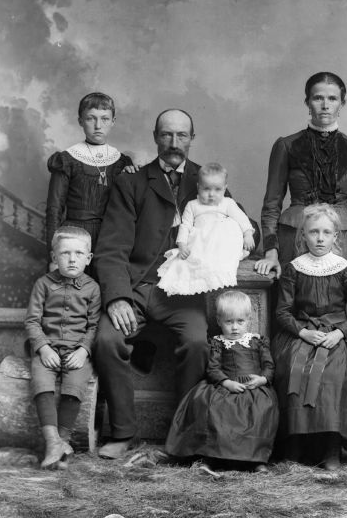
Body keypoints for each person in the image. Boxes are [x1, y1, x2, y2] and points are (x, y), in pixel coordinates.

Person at [93, 109, 258, 460]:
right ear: (155, 136)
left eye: (182, 136)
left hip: (180, 292)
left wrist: (262, 244)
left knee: (198, 342)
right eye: (167, 135)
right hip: (137, 285)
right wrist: (117, 298)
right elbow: (111, 246)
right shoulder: (132, 182)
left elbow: (243, 219)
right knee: (107, 339)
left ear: (192, 138)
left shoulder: (206, 179)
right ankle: (123, 433)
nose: (174, 143)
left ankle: (183, 435)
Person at [255, 71, 347, 446]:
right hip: (296, 237)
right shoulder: (286, 145)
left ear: (342, 102)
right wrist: (272, 249)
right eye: (317, 98)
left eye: (331, 98)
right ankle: (293, 431)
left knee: (344, 326)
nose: (324, 105)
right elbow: (270, 204)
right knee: (294, 326)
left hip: (342, 239)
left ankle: (340, 430)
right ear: (306, 102)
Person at [273, 204, 347, 470]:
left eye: (326, 232)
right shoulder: (294, 268)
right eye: (313, 232)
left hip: (336, 336)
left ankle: (330, 449)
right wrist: (302, 332)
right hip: (301, 332)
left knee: (332, 373)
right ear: (303, 235)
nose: (319, 238)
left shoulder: (345, 269)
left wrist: (338, 334)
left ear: (336, 236)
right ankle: (295, 445)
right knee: (294, 367)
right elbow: (282, 312)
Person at [165, 290, 278, 472]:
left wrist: (262, 379)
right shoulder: (217, 342)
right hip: (226, 384)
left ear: (248, 319)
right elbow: (213, 369)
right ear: (219, 321)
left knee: (260, 409)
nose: (235, 328)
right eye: (229, 322)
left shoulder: (257, 341)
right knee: (215, 408)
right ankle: (210, 458)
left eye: (240, 321)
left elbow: (269, 365)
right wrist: (226, 382)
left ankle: (255, 460)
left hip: (253, 386)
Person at [24, 226, 101, 469]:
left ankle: (64, 439)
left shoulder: (92, 288)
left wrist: (83, 351)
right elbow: (32, 321)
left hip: (76, 350)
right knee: (41, 381)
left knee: (75, 384)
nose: (71, 258)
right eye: (65, 253)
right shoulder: (43, 284)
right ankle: (53, 443)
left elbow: (94, 325)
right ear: (54, 256)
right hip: (48, 347)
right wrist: (43, 348)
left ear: (88, 259)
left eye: (79, 253)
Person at [45, 92, 134, 268]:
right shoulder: (67, 160)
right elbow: (54, 210)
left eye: (105, 119)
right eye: (90, 119)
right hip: (74, 239)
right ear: (80, 121)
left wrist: (131, 176)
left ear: (113, 121)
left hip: (110, 239)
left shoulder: (122, 162)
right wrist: (54, 253)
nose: (98, 126)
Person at [157, 162, 255, 295]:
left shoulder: (227, 203)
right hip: (200, 241)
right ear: (198, 187)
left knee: (230, 225)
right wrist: (182, 245)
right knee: (187, 259)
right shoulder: (192, 205)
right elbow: (185, 226)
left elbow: (242, 219)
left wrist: (247, 234)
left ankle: (220, 264)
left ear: (225, 188)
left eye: (217, 189)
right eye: (206, 189)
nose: (211, 195)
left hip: (221, 241)